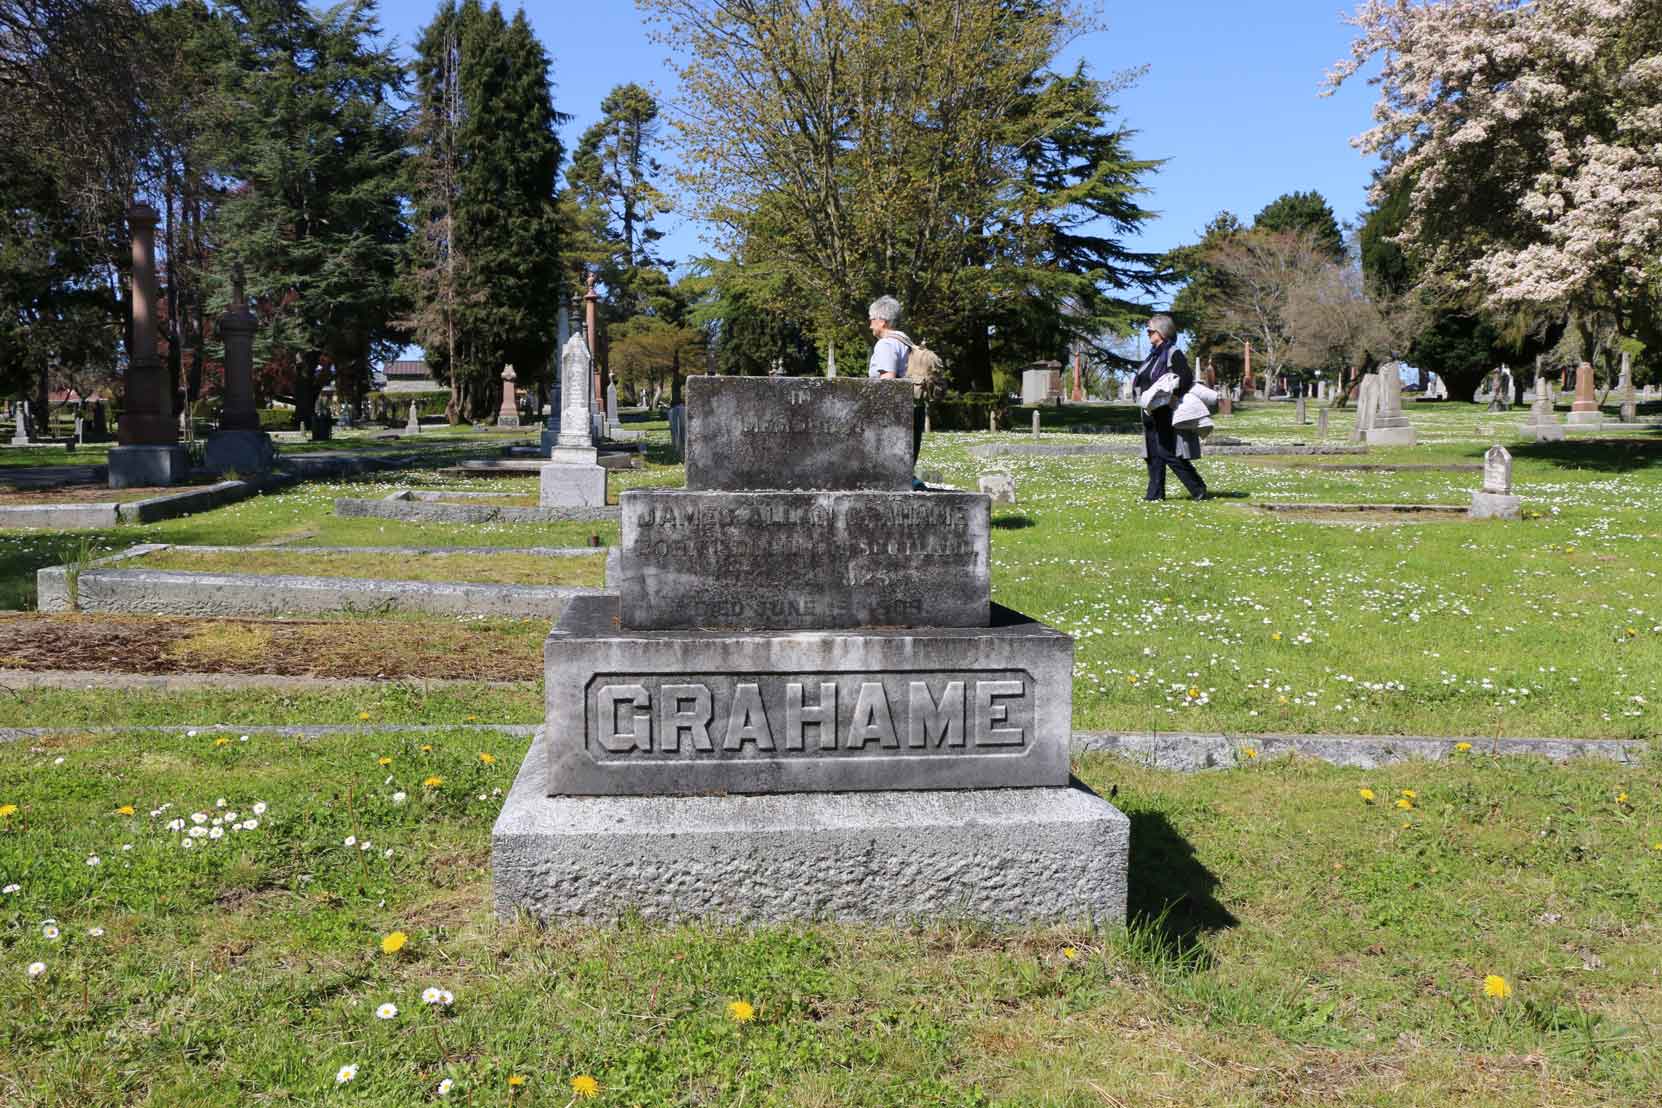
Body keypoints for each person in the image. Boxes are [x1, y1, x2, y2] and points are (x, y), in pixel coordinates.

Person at [1133, 314, 1208, 501]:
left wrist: (1171, 396)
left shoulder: (1173, 352)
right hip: (1149, 411)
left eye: (1151, 331)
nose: (1148, 334)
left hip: (1164, 411)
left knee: (1168, 452)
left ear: (1162, 332)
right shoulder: (1152, 355)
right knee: (1152, 454)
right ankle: (1155, 494)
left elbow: (1185, 378)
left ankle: (1197, 487)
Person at [867, 295, 926, 477]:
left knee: (889, 472)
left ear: (881, 322)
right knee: (905, 469)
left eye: (871, 319)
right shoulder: (906, 341)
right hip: (914, 408)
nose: (869, 325)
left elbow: (888, 383)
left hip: (896, 414)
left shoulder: (886, 344)